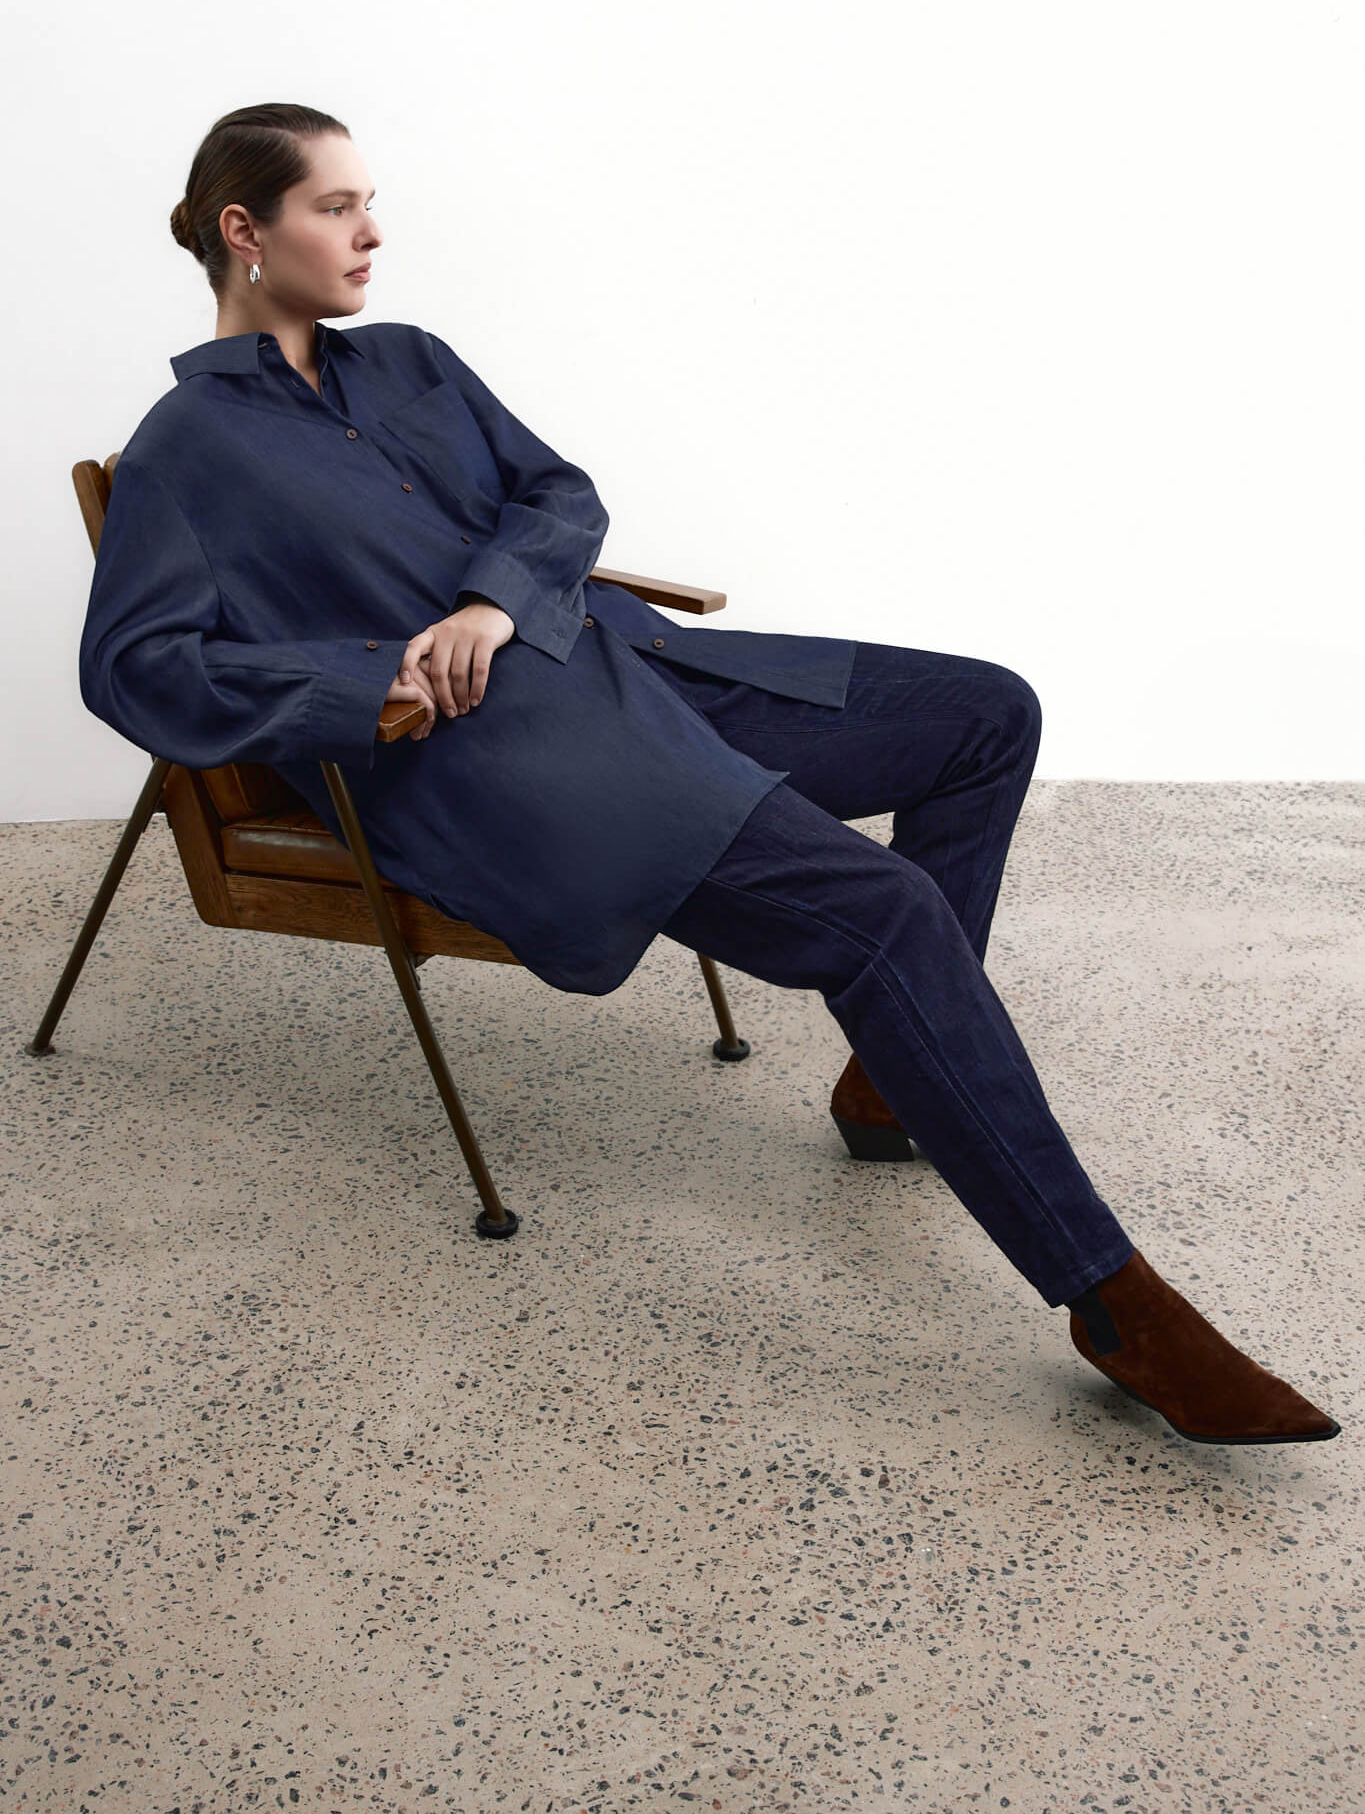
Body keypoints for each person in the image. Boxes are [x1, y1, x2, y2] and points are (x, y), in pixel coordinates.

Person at [79, 101, 1339, 1450]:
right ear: (244, 230)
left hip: (645, 667)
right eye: (335, 207)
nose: (371, 231)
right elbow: (136, 667)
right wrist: (362, 680)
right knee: (885, 914)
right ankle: (1114, 1304)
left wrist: (494, 600)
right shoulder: (185, 453)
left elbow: (559, 495)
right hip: (527, 765)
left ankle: (891, 1080)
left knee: (985, 715)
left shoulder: (409, 361)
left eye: (367, 201)